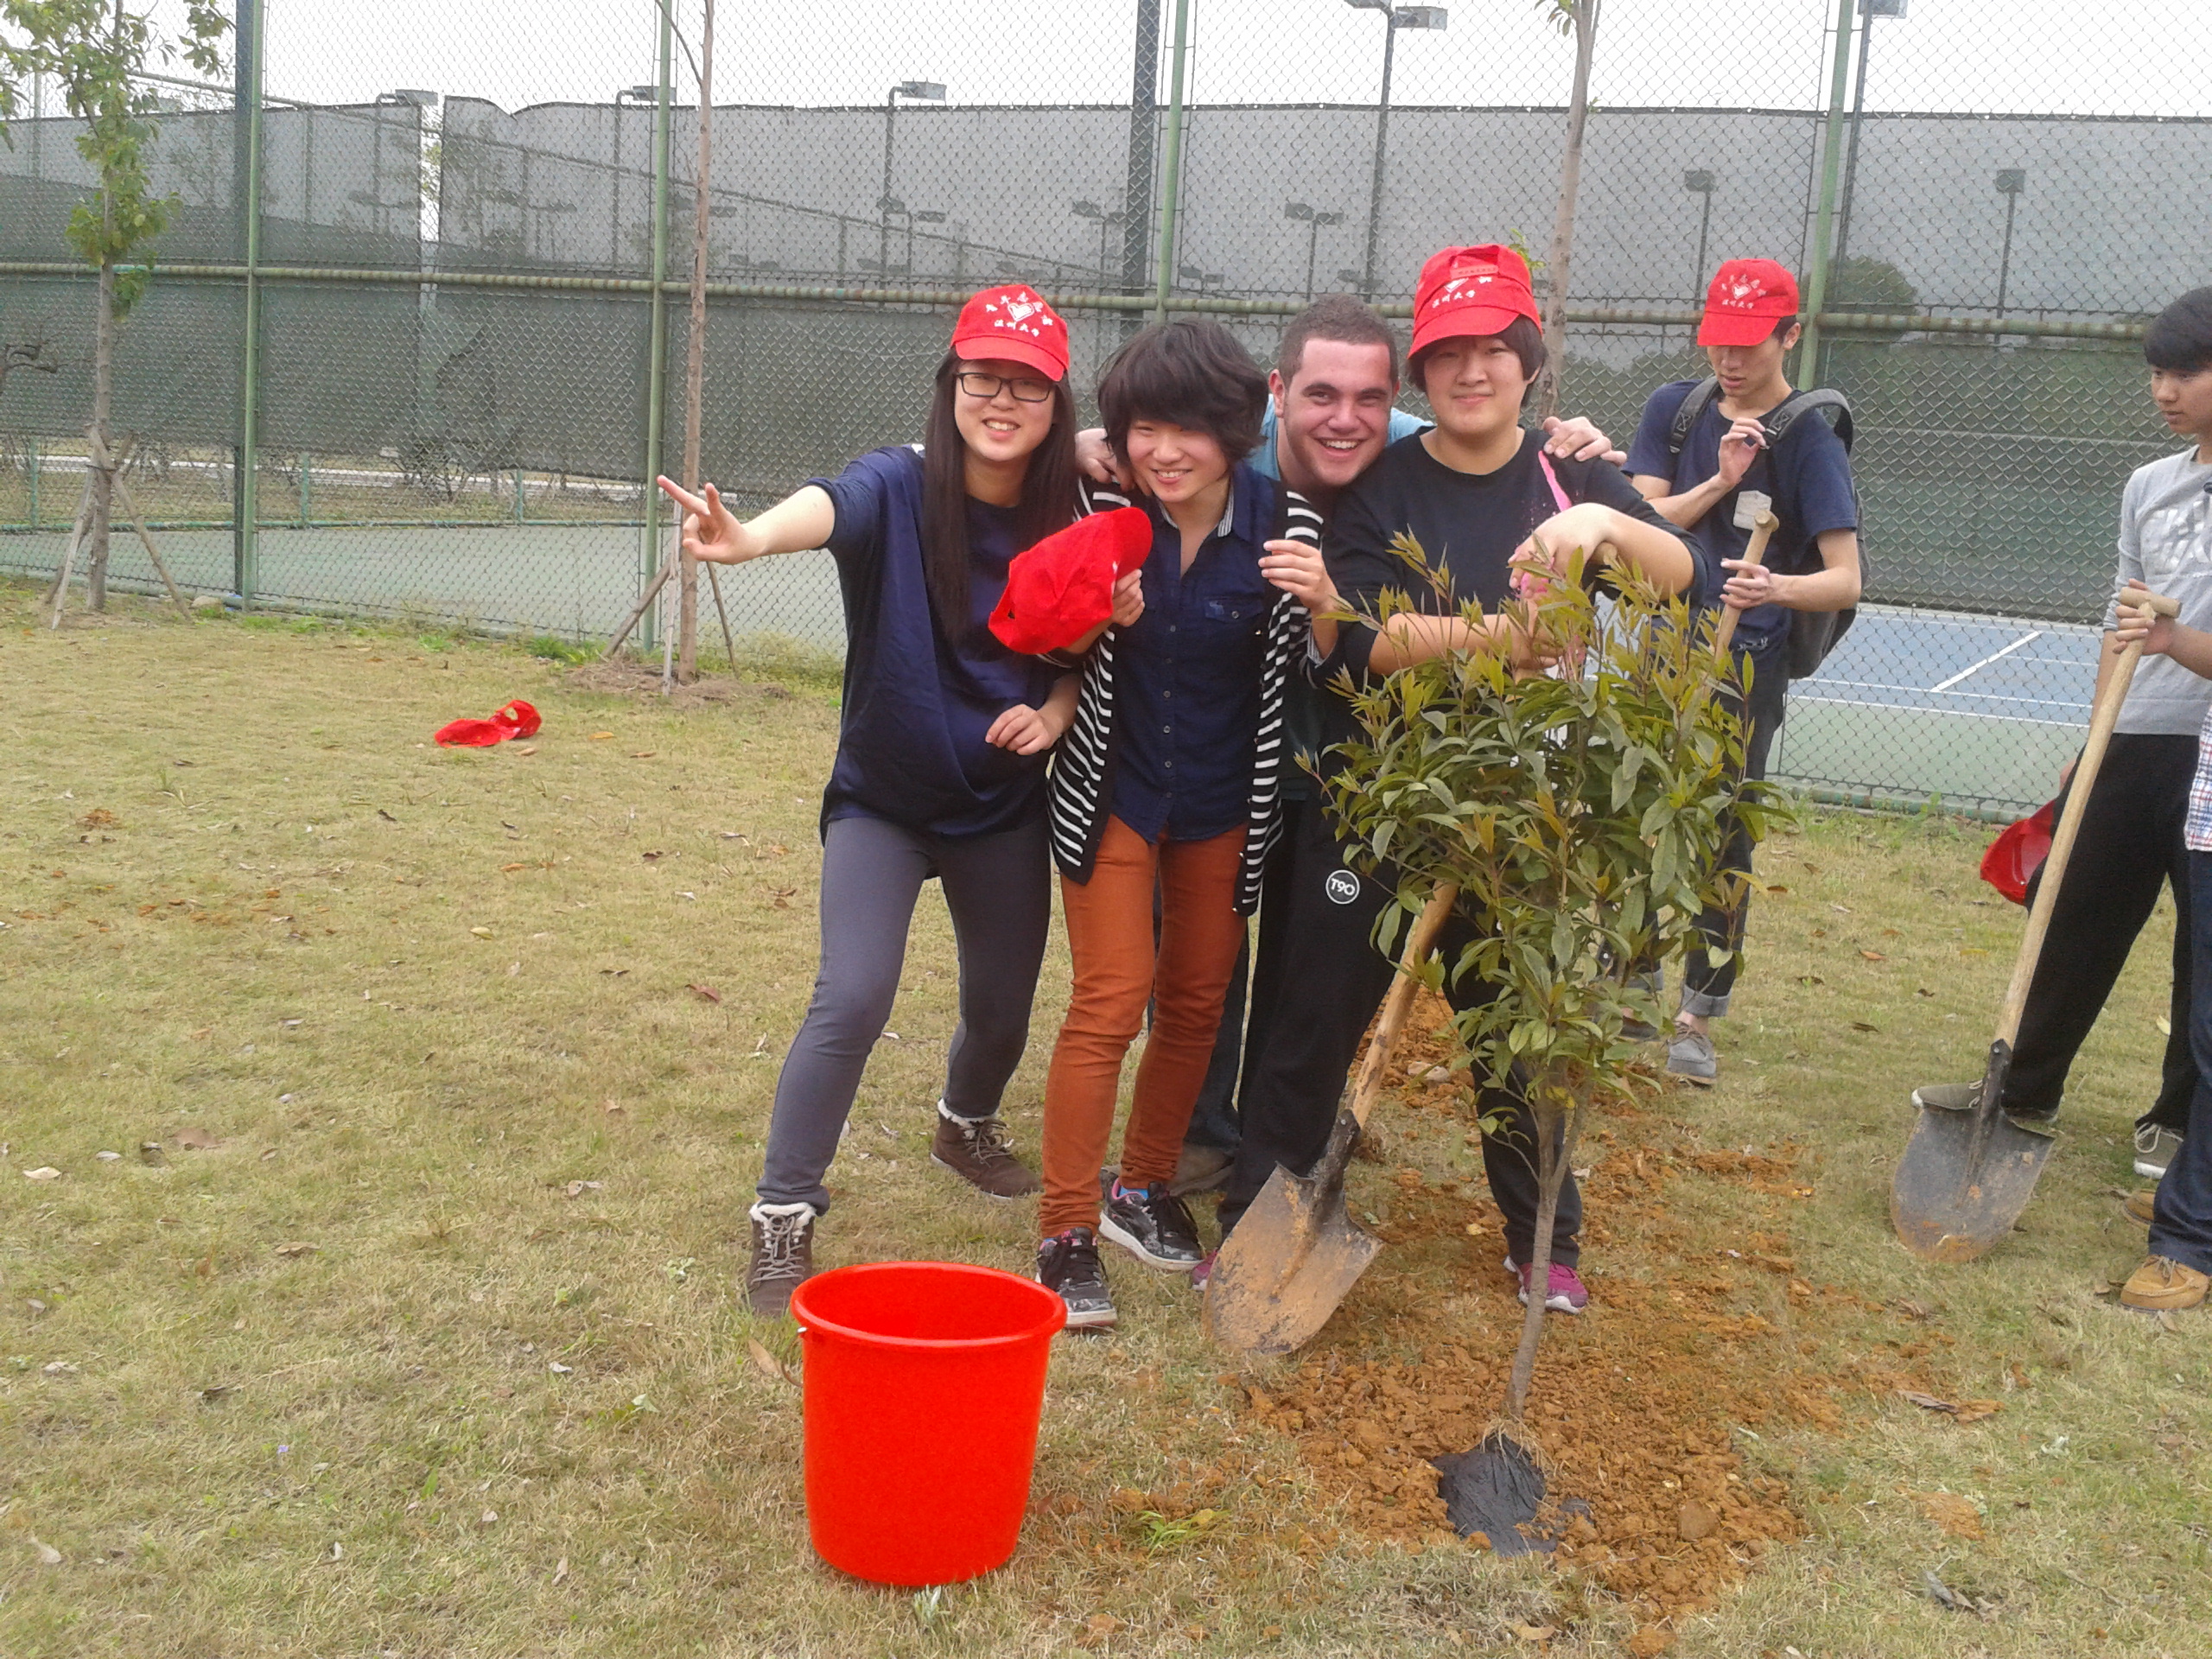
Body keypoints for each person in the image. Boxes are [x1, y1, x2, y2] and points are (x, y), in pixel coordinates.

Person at [1211, 244, 1701, 1314]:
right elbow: (1355, 642)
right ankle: (1258, 1211)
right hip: (1376, 795)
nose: (1471, 371)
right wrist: (1505, 640)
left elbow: (1687, 577)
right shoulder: (1379, 488)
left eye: (1493, 350)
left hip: (1519, 806)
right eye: (1446, 353)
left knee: (1512, 1029)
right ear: (1422, 372)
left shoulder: (1571, 479)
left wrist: (1602, 522)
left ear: (1529, 362)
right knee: (1312, 1016)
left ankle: (1543, 1237)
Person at [1069, 298, 1626, 1196]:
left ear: (1395, 397)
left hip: (1344, 757)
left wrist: (1573, 456)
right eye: (1321, 395)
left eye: (1369, 398)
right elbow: (1147, 432)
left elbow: (1512, 453)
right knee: (1203, 964)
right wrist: (1085, 439)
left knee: (1306, 969)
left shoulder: (1404, 449)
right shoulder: (1224, 450)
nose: (1345, 418)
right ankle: (1196, 1137)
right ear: (1277, 394)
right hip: (1218, 754)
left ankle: (1276, 1138)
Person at [657, 285, 1125, 1317]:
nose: (1000, 401)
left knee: (1002, 1007)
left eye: (1027, 387)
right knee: (855, 992)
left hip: (998, 803)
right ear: (950, 383)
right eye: (982, 377)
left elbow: (1079, 646)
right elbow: (832, 505)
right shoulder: (898, 482)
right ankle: (783, 1211)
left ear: (1057, 405)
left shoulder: (1075, 512)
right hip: (884, 801)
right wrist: (750, 538)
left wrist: (1055, 709)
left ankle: (963, 1124)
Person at [1031, 317, 1335, 1330]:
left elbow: (1321, 663)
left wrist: (1325, 605)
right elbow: (1045, 641)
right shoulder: (1098, 505)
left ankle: (1141, 1185)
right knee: (1110, 1000)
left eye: (1188, 430)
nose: (1164, 452)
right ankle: (1065, 1232)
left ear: (1237, 429)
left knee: (1197, 1003)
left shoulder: (1287, 526)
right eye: (1143, 429)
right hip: (1114, 791)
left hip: (1222, 802)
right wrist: (1090, 619)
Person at [1913, 288, 2212, 1192]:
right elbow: (2121, 623)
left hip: (2208, 748)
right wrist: (2094, 741)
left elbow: (2161, 631)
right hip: (2135, 736)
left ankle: (2176, 1119)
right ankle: (2022, 1088)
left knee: (2200, 947)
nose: (2164, 390)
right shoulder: (2150, 487)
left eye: (2185, 372)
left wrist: (2175, 641)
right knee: (2073, 913)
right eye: (2155, 373)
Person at [1624, 258, 1862, 1085]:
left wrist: (1774, 587)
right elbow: (1638, 520)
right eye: (1718, 342)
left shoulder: (1809, 439)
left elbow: (1846, 578)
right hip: (1661, 646)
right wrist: (1719, 482)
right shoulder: (1677, 410)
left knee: (1722, 836)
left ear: (1790, 336)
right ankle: (1631, 981)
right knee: (1637, 814)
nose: (1729, 360)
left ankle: (1697, 1016)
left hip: (1746, 664)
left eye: (1748, 345)